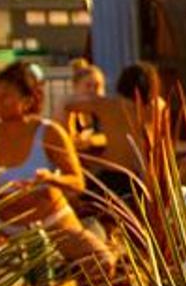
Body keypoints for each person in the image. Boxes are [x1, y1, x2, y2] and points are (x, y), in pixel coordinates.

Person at [0, 62, 115, 286]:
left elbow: (78, 183)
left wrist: (52, 179)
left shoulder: (49, 132)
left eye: (4, 96)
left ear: (27, 101)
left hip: (55, 225)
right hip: (6, 232)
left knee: (103, 262)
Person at [63, 61, 168, 208]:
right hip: (148, 178)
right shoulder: (158, 107)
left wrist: (69, 134)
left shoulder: (108, 105)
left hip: (114, 177)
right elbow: (164, 141)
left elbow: (67, 104)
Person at [65, 60, 106, 155]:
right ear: (75, 87)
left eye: (97, 86)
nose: (92, 90)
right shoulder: (69, 112)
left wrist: (92, 140)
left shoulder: (105, 112)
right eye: (88, 86)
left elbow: (113, 136)